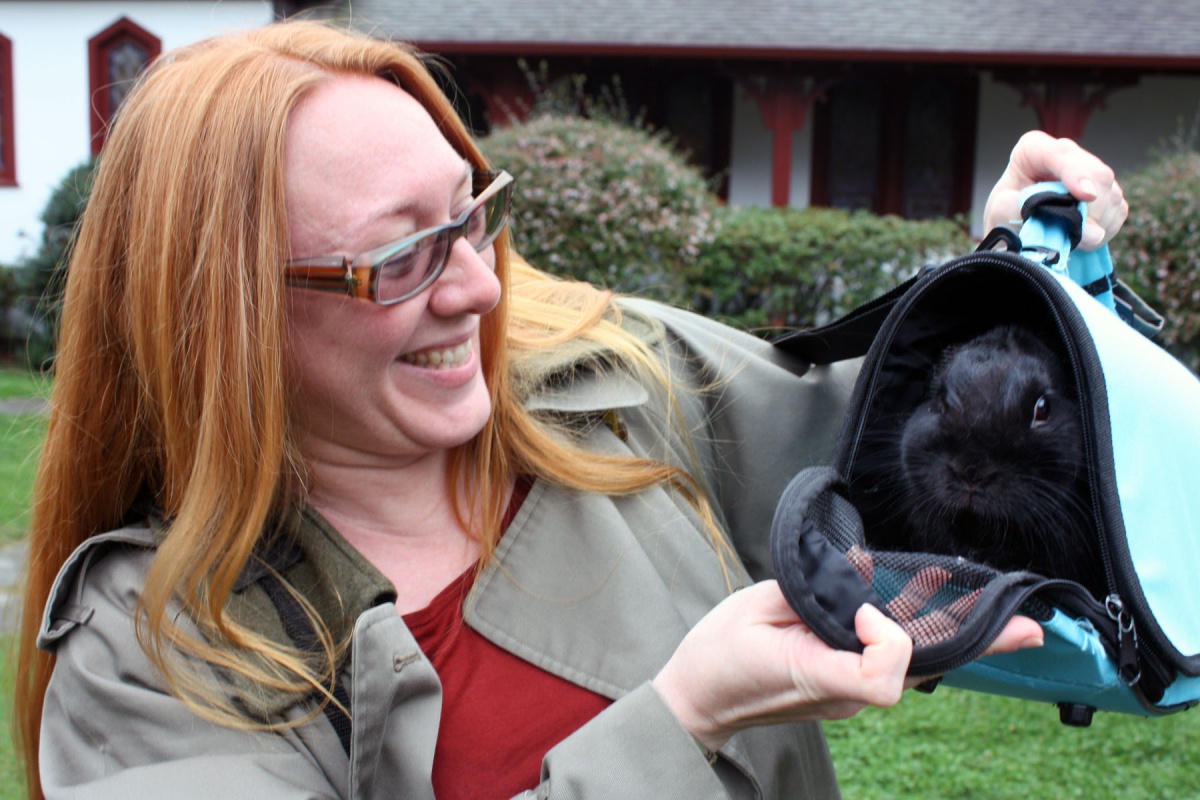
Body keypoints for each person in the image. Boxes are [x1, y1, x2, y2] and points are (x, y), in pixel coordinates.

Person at [12, 20, 1127, 800]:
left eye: (470, 213)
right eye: (400, 257)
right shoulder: (147, 659)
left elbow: (881, 449)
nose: (480, 288)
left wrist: (1002, 279)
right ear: (224, 315)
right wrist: (683, 720)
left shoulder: (609, 366)